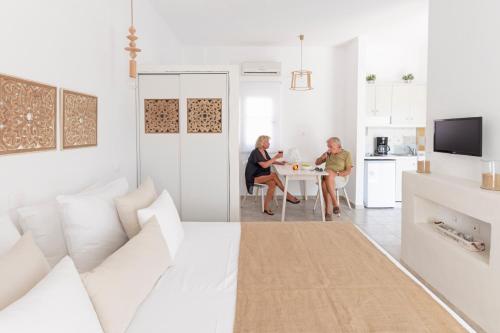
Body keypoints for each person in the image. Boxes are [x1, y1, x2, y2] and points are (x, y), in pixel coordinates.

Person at [245, 135, 300, 215]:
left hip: (261, 175)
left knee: (273, 184)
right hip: (253, 178)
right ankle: (288, 195)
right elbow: (264, 165)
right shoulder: (255, 152)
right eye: (267, 142)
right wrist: (276, 157)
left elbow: (269, 161)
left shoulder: (264, 151)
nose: (269, 144)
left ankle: (266, 208)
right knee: (273, 175)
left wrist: (280, 163)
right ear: (262, 143)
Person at [315, 137, 353, 217]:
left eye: (330, 146)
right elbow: (317, 163)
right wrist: (322, 157)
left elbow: (348, 171)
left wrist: (336, 174)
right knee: (327, 175)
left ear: (338, 146)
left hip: (340, 177)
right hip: (327, 176)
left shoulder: (346, 154)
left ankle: (328, 210)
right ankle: (335, 205)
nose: (329, 148)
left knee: (325, 182)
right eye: (328, 146)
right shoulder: (329, 153)